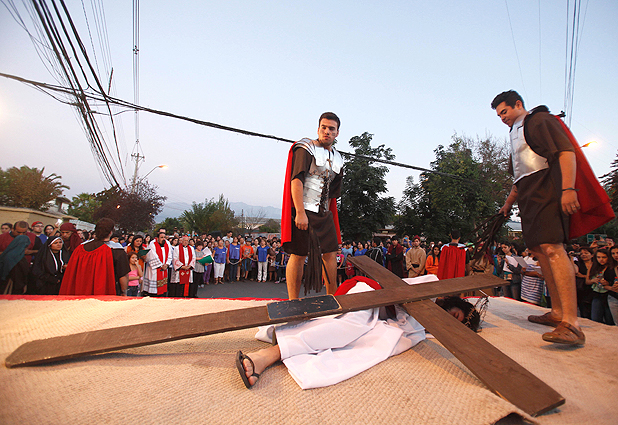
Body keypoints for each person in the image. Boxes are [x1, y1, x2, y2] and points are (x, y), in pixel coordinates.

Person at [491, 89, 614, 344]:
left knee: (552, 248)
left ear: (518, 104)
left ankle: (572, 323)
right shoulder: (514, 134)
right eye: (498, 115)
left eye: (504, 111)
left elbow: (566, 152)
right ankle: (557, 312)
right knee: (539, 250)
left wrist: (568, 189)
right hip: (528, 197)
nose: (502, 118)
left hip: (547, 191)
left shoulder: (539, 120)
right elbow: (519, 177)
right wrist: (507, 205)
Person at [281, 112, 343, 299]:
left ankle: (332, 298)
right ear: (318, 129)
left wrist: (328, 215)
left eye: (331, 128)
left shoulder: (338, 158)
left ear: (337, 133)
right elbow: (296, 180)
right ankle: (293, 300)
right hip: (304, 210)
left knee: (331, 253)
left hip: (324, 213)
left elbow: (332, 194)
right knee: (299, 254)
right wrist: (300, 212)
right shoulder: (306, 148)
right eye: (323, 127)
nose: (327, 131)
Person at [59, 218, 130, 296]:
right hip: (104, 292)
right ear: (110, 232)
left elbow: (71, 273)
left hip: (81, 290)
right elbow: (123, 275)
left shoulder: (80, 248)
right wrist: (124, 292)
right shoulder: (116, 250)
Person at [0, 221, 41, 294]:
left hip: (23, 272)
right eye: (18, 232)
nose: (21, 235)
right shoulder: (2, 238)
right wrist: (11, 253)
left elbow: (41, 251)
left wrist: (29, 252)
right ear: (12, 229)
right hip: (4, 271)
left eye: (24, 232)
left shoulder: (34, 238)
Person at [586, 248, 615, 325]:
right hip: (597, 294)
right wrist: (593, 280)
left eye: (604, 257)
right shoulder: (593, 266)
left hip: (609, 294)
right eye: (598, 257)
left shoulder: (612, 267)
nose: (601, 259)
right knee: (595, 319)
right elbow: (587, 281)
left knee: (610, 320)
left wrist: (607, 283)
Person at [143, 231, 172, 297]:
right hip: (155, 269)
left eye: (164, 237)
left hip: (164, 268)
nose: (163, 239)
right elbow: (153, 256)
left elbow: (170, 254)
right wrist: (161, 265)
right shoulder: (152, 244)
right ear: (157, 238)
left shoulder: (167, 243)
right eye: (161, 237)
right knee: (154, 291)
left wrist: (167, 264)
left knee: (163, 291)